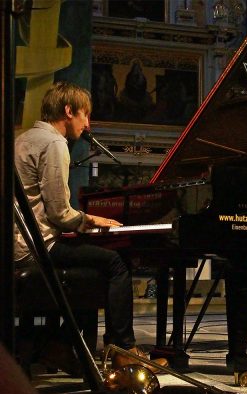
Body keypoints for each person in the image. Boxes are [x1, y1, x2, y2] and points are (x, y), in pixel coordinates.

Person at [13, 82, 167, 375]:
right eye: (85, 115)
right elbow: (60, 213)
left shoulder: (22, 139)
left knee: (91, 264)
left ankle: (58, 345)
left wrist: (81, 221)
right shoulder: (54, 143)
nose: (88, 123)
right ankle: (123, 351)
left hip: (16, 244)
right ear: (68, 111)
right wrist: (90, 220)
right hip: (36, 247)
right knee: (116, 263)